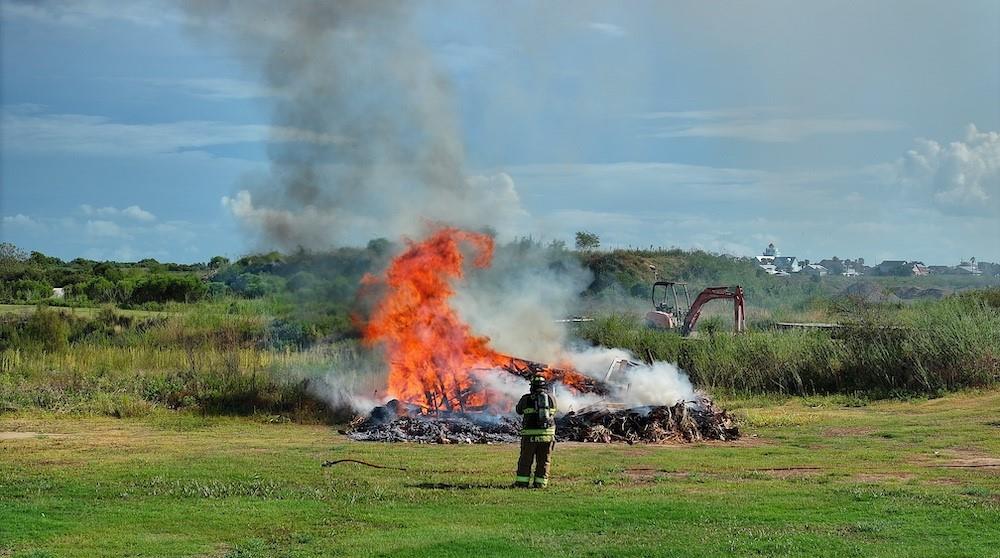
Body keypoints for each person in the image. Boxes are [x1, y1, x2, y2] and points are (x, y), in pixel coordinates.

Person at [514, 374, 557, 488]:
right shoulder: (551, 399)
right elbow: (554, 412)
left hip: (530, 436)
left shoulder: (526, 399)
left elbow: (518, 410)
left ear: (532, 387)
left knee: (525, 461)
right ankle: (540, 484)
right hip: (547, 437)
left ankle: (522, 483)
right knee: (544, 461)